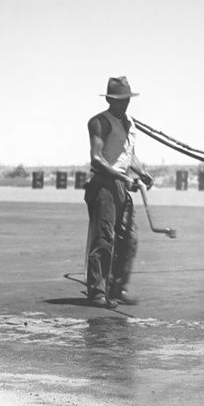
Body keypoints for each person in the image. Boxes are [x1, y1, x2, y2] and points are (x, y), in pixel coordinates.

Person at [84, 76, 154, 308]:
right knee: (104, 238)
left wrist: (141, 173)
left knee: (129, 239)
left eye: (126, 100)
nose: (123, 104)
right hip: (104, 185)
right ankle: (97, 293)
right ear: (109, 99)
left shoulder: (130, 124)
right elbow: (96, 159)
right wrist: (123, 177)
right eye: (119, 100)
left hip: (122, 186)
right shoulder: (99, 122)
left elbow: (128, 155)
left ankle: (117, 288)